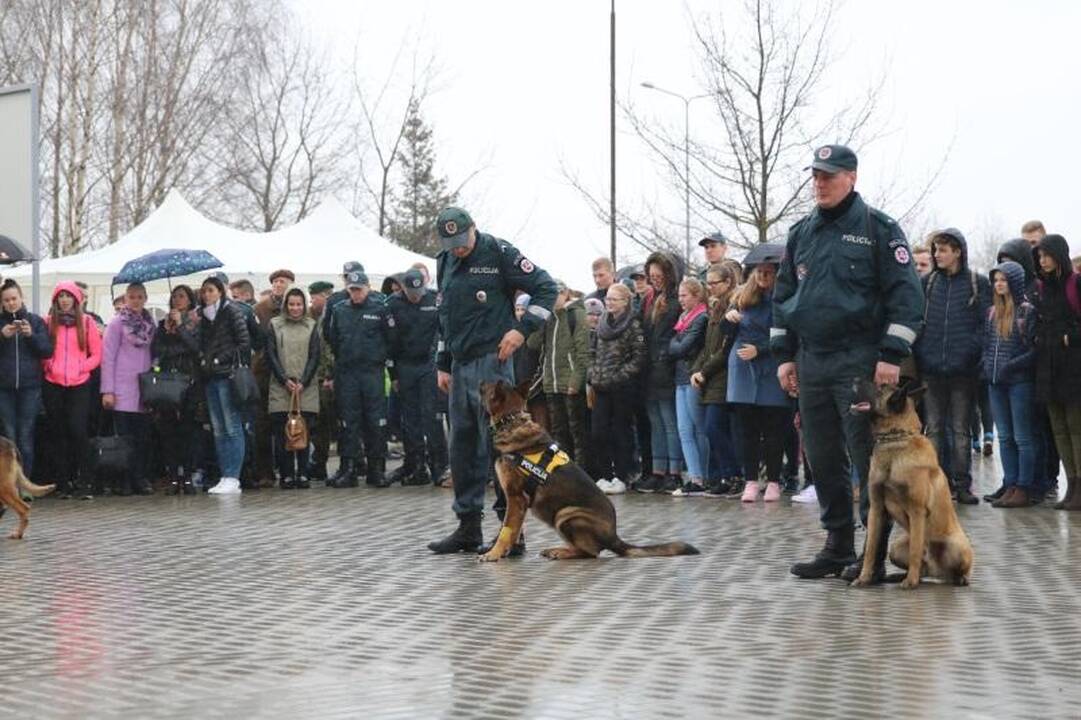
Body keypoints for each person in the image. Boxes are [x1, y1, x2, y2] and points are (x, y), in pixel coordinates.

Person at [771, 144, 924, 581]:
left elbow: (907, 297)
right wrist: (784, 357)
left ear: (851, 178)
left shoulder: (879, 229)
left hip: (860, 360)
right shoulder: (802, 232)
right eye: (815, 175)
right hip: (812, 359)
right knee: (820, 457)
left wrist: (892, 355)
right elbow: (783, 299)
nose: (819, 183)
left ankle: (872, 554)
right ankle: (837, 545)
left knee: (866, 457)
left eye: (829, 175)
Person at [427, 206, 557, 555]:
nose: (458, 248)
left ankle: (511, 531)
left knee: (501, 448)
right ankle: (467, 526)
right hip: (460, 365)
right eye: (451, 243)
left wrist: (521, 329)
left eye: (462, 240)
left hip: (493, 363)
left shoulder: (500, 253)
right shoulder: (444, 261)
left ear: (474, 229)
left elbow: (547, 290)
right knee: (462, 446)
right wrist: (443, 362)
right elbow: (444, 316)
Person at [913, 228, 991, 505]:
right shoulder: (927, 283)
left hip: (963, 371)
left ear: (958, 252)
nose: (937, 255)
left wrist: (970, 353)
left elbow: (985, 325)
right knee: (933, 428)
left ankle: (961, 484)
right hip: (931, 369)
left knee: (960, 430)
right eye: (935, 250)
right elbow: (917, 321)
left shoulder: (977, 283)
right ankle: (936, 483)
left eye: (943, 250)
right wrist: (922, 351)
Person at [726, 259, 789, 502]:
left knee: (773, 428)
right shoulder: (741, 297)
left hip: (772, 364)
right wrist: (728, 318)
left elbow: (786, 333)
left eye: (768, 272)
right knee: (747, 430)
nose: (762, 276)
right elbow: (726, 334)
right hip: (742, 368)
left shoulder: (782, 298)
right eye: (759, 272)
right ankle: (750, 480)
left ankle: (773, 481)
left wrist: (760, 350)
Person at [326, 270, 395, 488]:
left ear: (367, 288)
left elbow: (391, 339)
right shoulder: (339, 310)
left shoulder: (380, 309)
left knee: (376, 422)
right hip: (347, 373)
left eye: (359, 290)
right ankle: (349, 469)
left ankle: (377, 469)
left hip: (372, 373)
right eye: (352, 290)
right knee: (348, 423)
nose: (355, 294)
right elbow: (332, 339)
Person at [980, 261, 1037, 508]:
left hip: (1019, 383)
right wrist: (985, 365)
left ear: (1014, 282)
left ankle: (1024, 487)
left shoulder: (1027, 311)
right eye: (996, 280)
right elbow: (986, 344)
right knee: (1004, 436)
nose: (999, 284)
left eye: (1003, 279)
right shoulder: (991, 312)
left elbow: (1035, 350)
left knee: (1022, 437)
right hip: (995, 383)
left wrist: (1010, 366)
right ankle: (1010, 483)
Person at [1032, 234, 1081, 510]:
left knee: (1076, 428)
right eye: (1040, 256)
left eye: (1047, 255)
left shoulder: (1076, 283)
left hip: (1073, 368)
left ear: (1059, 255)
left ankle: (1080, 487)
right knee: (1059, 430)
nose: (1043, 260)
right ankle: (1072, 485)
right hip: (1048, 366)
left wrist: (1069, 338)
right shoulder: (1042, 287)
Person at [387, 268, 448, 486]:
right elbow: (389, 343)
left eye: (419, 290)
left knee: (432, 417)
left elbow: (444, 330)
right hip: (405, 365)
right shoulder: (393, 304)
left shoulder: (434, 300)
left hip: (429, 364)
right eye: (411, 291)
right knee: (410, 420)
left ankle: (440, 467)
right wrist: (393, 374)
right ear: (403, 288)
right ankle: (416, 466)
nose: (416, 295)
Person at [42, 282, 103, 499]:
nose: (65, 300)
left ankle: (85, 480)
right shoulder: (48, 322)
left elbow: (96, 354)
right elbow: (42, 349)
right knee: (58, 433)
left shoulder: (87, 323)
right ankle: (62, 482)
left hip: (79, 384)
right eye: (61, 296)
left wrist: (81, 368)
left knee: (78, 431)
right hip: (54, 383)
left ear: (76, 300)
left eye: (69, 296)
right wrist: (48, 365)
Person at [527, 280, 591, 471]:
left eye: (556, 295)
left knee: (577, 432)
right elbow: (532, 343)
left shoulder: (576, 315)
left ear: (565, 294)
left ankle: (582, 472)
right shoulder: (550, 318)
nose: (553, 300)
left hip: (570, 383)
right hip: (551, 382)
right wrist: (539, 318)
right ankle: (565, 472)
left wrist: (576, 380)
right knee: (559, 432)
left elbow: (583, 351)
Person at [589, 283, 646, 495]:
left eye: (614, 299)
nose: (609, 302)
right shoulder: (603, 323)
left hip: (622, 387)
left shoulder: (633, 325)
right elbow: (593, 351)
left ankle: (622, 475)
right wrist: (593, 374)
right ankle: (605, 474)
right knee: (598, 431)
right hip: (601, 385)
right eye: (608, 299)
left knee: (621, 432)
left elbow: (639, 356)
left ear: (625, 301)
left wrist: (619, 376)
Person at [690, 263, 742, 497]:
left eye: (714, 283)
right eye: (708, 283)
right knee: (714, 428)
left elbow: (725, 349)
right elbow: (708, 345)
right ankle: (723, 475)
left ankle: (733, 474)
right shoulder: (715, 307)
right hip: (712, 377)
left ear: (728, 282)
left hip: (724, 377)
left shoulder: (733, 305)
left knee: (715, 428)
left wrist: (705, 371)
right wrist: (697, 369)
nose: (710, 288)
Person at [100, 282, 156, 495]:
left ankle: (139, 477)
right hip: (122, 387)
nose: (136, 300)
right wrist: (108, 390)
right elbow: (108, 357)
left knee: (142, 438)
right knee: (124, 438)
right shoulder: (117, 324)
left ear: (145, 298)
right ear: (125, 299)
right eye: (132, 296)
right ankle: (123, 480)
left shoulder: (150, 324)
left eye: (140, 296)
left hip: (143, 388)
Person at [198, 275, 251, 495]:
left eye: (211, 290)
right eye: (204, 291)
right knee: (218, 429)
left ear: (220, 291)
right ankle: (225, 474)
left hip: (228, 374)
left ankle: (233, 476)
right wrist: (204, 358)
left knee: (232, 426)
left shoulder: (231, 311)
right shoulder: (203, 316)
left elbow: (244, 341)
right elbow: (202, 343)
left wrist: (221, 358)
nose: (207, 295)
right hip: (210, 376)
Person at [637, 251, 684, 494]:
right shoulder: (649, 300)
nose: (654, 279)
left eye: (658, 275)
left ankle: (674, 472)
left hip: (666, 368)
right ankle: (657, 470)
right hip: (649, 370)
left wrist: (665, 357)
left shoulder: (676, 301)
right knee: (655, 422)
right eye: (651, 275)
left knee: (669, 422)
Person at [266, 287, 320, 489]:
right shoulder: (275, 325)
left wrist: (303, 381)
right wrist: (283, 379)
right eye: (291, 304)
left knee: (304, 430)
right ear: (285, 305)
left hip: (305, 386)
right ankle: (287, 473)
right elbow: (270, 354)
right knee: (282, 432)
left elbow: (315, 355)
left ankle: (303, 472)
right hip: (281, 386)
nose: (295, 308)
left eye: (299, 304)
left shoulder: (311, 325)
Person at [150, 285, 203, 495]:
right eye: (175, 296)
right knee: (169, 431)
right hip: (168, 382)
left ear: (190, 300)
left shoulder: (196, 323)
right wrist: (172, 338)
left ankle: (188, 475)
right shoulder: (163, 324)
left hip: (189, 380)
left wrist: (180, 328)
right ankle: (173, 476)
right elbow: (157, 350)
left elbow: (195, 347)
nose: (178, 300)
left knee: (189, 430)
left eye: (182, 296)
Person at [0, 279, 53, 482]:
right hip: (4, 388)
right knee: (9, 438)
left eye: (14, 298)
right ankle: (10, 484)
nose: (11, 303)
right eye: (7, 300)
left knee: (26, 436)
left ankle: (25, 484)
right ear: (2, 303)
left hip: (30, 387)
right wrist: (1, 336)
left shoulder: (35, 320)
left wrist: (31, 335)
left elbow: (47, 350)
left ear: (21, 298)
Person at [668, 278, 710, 496]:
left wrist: (675, 345)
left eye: (685, 295)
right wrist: (675, 345)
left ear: (696, 296)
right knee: (684, 430)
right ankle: (694, 476)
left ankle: (706, 474)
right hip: (680, 378)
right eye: (680, 295)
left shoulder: (701, 317)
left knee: (699, 428)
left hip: (693, 376)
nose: (681, 300)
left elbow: (682, 347)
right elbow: (672, 346)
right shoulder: (682, 318)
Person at [306, 280, 336, 481]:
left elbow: (329, 351)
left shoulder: (332, 316)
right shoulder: (313, 318)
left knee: (324, 424)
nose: (311, 302)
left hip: (326, 379)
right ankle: (318, 463)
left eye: (314, 298)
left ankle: (319, 462)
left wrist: (328, 375)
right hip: (315, 378)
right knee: (317, 425)